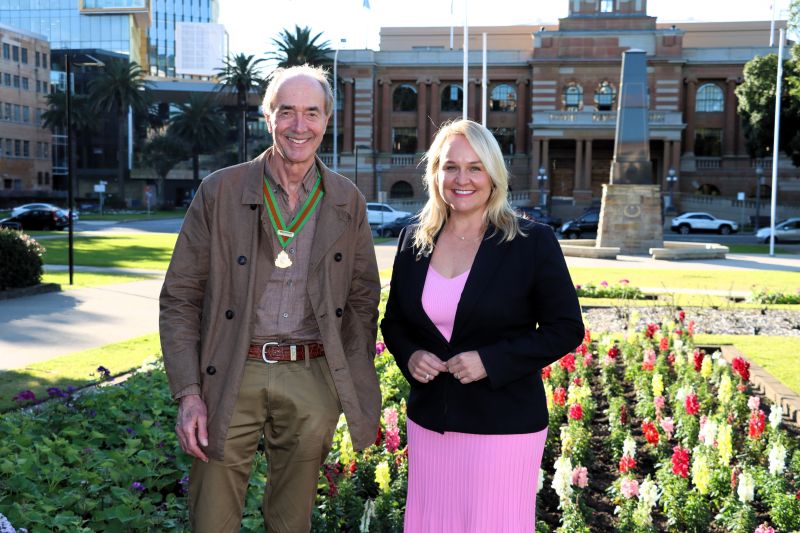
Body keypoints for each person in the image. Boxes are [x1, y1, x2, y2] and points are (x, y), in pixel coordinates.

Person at [159, 64, 382, 533]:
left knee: (291, 522)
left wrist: (341, 382)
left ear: (327, 119)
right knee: (211, 520)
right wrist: (189, 393)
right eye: (286, 112)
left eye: (312, 113)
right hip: (230, 371)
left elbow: (363, 298)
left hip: (310, 373)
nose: (299, 126)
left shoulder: (347, 200)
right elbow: (179, 296)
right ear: (268, 117)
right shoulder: (220, 191)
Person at [381, 119, 584, 532]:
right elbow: (396, 322)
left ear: (494, 175)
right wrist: (411, 354)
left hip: (503, 427)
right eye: (450, 166)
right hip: (430, 425)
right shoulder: (414, 240)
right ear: (435, 173)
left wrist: (490, 361)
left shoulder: (531, 242)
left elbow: (566, 328)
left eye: (475, 167)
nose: (462, 179)